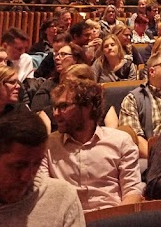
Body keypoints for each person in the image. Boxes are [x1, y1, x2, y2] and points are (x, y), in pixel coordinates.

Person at [42, 77, 144, 211]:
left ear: (87, 107)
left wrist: (115, 223)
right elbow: (42, 193)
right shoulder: (48, 145)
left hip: (112, 219)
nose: (55, 114)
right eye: (55, 107)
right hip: (66, 224)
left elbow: (132, 193)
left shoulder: (120, 141)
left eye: (63, 107)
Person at [119, 49, 161, 158]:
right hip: (151, 160)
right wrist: (158, 160)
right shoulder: (133, 99)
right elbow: (134, 139)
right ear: (152, 72)